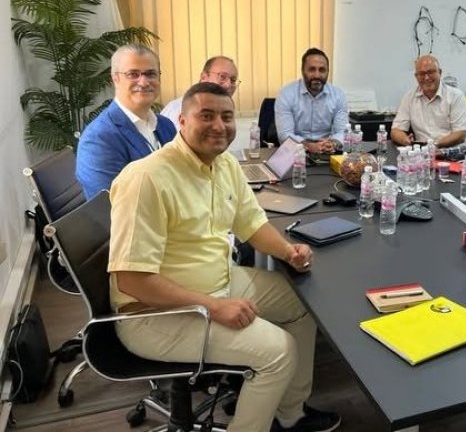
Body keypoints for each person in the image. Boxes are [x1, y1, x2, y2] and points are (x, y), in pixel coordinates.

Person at [108, 82, 341, 432]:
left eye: (226, 117)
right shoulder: (146, 178)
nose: (219, 125)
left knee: (304, 305)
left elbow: (251, 223)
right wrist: (213, 306)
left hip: (218, 282)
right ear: (182, 121)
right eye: (206, 116)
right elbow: (132, 280)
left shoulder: (225, 164)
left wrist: (288, 251)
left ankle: (290, 415)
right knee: (278, 352)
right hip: (154, 314)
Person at [76, 44, 176, 199]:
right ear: (115, 78)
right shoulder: (98, 139)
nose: (144, 82)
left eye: (151, 74)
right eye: (133, 74)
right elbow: (110, 205)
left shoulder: (166, 125)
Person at [275, 48, 347, 154]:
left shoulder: (338, 95)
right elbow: (285, 134)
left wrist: (333, 143)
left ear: (328, 72)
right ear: (303, 71)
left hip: (327, 152)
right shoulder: (286, 94)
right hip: (296, 152)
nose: (317, 75)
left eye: (322, 70)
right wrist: (309, 146)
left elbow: (343, 132)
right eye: (311, 69)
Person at [390, 55, 466, 148]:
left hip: (453, 152)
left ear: (440, 72)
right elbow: (396, 130)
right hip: (423, 152)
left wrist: (432, 146)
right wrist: (407, 141)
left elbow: (460, 134)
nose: (426, 78)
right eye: (421, 74)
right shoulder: (409, 97)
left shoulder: (455, 96)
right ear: (416, 76)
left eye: (430, 72)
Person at [160, 56, 240, 130]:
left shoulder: (227, 114)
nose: (228, 85)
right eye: (222, 76)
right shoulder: (176, 110)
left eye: (233, 80)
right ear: (203, 77)